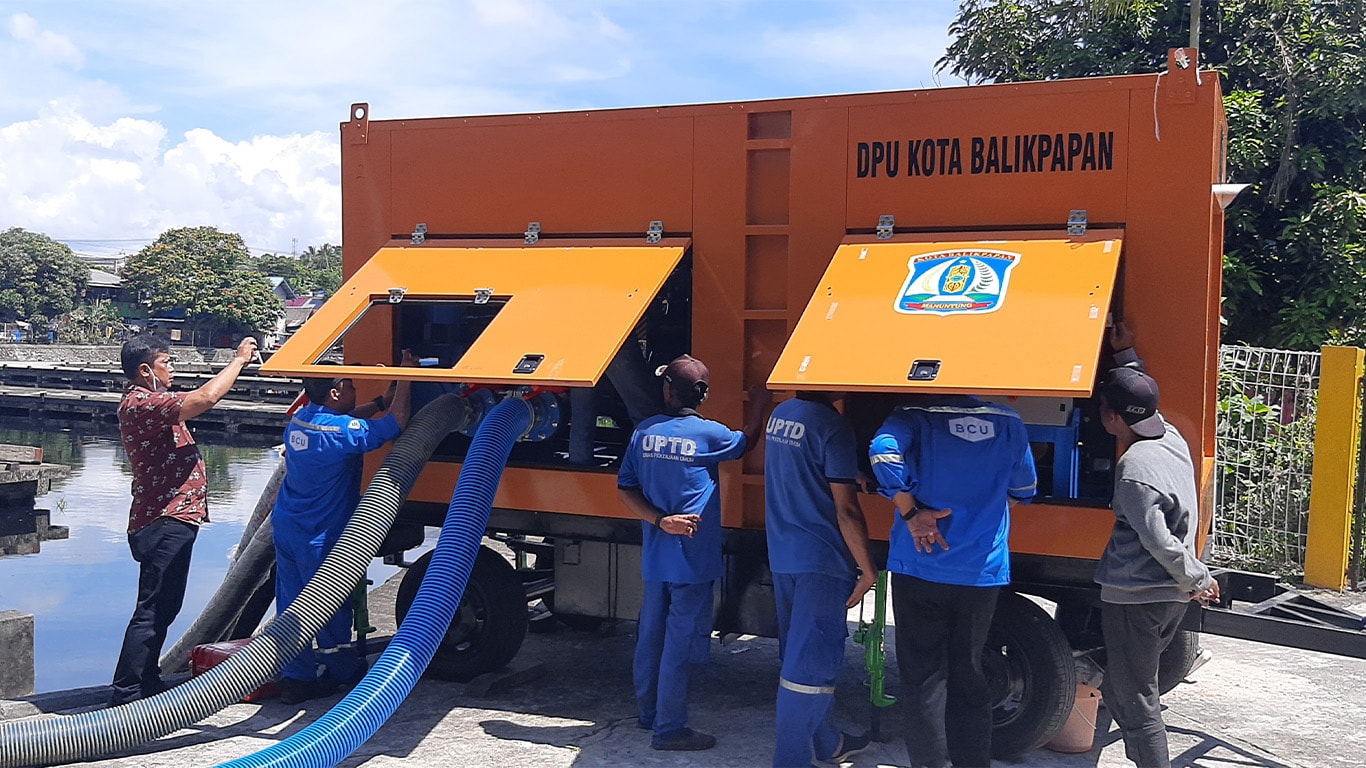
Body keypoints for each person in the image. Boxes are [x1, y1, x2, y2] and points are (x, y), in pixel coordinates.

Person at [870, 395, 1037, 768]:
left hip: (920, 565)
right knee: (969, 671)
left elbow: (882, 452)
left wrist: (911, 510)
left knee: (924, 678)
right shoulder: (1008, 420)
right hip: (980, 573)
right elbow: (1024, 487)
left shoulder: (913, 414)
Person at [617, 354, 769, 751]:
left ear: (667, 390)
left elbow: (626, 489)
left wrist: (658, 520)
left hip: (657, 558)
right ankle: (669, 730)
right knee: (678, 644)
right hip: (693, 559)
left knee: (650, 636)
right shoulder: (710, 436)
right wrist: (759, 403)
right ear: (702, 396)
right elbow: (746, 442)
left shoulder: (643, 433)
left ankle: (647, 714)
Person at [110, 333, 259, 706]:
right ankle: (127, 689)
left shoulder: (151, 401)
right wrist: (239, 361)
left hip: (174, 518)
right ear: (146, 371)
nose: (172, 368)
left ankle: (146, 680)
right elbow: (205, 399)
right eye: (167, 362)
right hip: (163, 519)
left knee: (166, 605)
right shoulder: (140, 403)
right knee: (154, 606)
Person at [1095, 328, 1219, 768]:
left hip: (1137, 599)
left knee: (1136, 700)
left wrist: (1198, 577)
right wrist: (1124, 350)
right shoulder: (1169, 438)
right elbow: (1139, 394)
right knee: (1119, 687)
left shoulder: (1132, 471)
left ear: (1111, 419)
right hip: (1168, 600)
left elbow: (1158, 540)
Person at [272, 353, 416, 704]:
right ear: (335, 393)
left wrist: (382, 399)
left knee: (291, 603)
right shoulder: (339, 434)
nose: (354, 390)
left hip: (288, 527)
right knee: (329, 605)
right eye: (350, 385)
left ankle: (297, 677)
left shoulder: (301, 422)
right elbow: (396, 424)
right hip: (319, 538)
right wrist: (407, 377)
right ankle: (343, 672)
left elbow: (347, 421)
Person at [763, 391, 876, 768]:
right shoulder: (834, 427)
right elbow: (845, 509)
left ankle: (829, 741)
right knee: (809, 668)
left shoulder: (782, 413)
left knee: (797, 658)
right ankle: (789, 761)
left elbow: (805, 468)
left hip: (784, 555)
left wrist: (846, 470)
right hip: (822, 561)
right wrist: (868, 568)